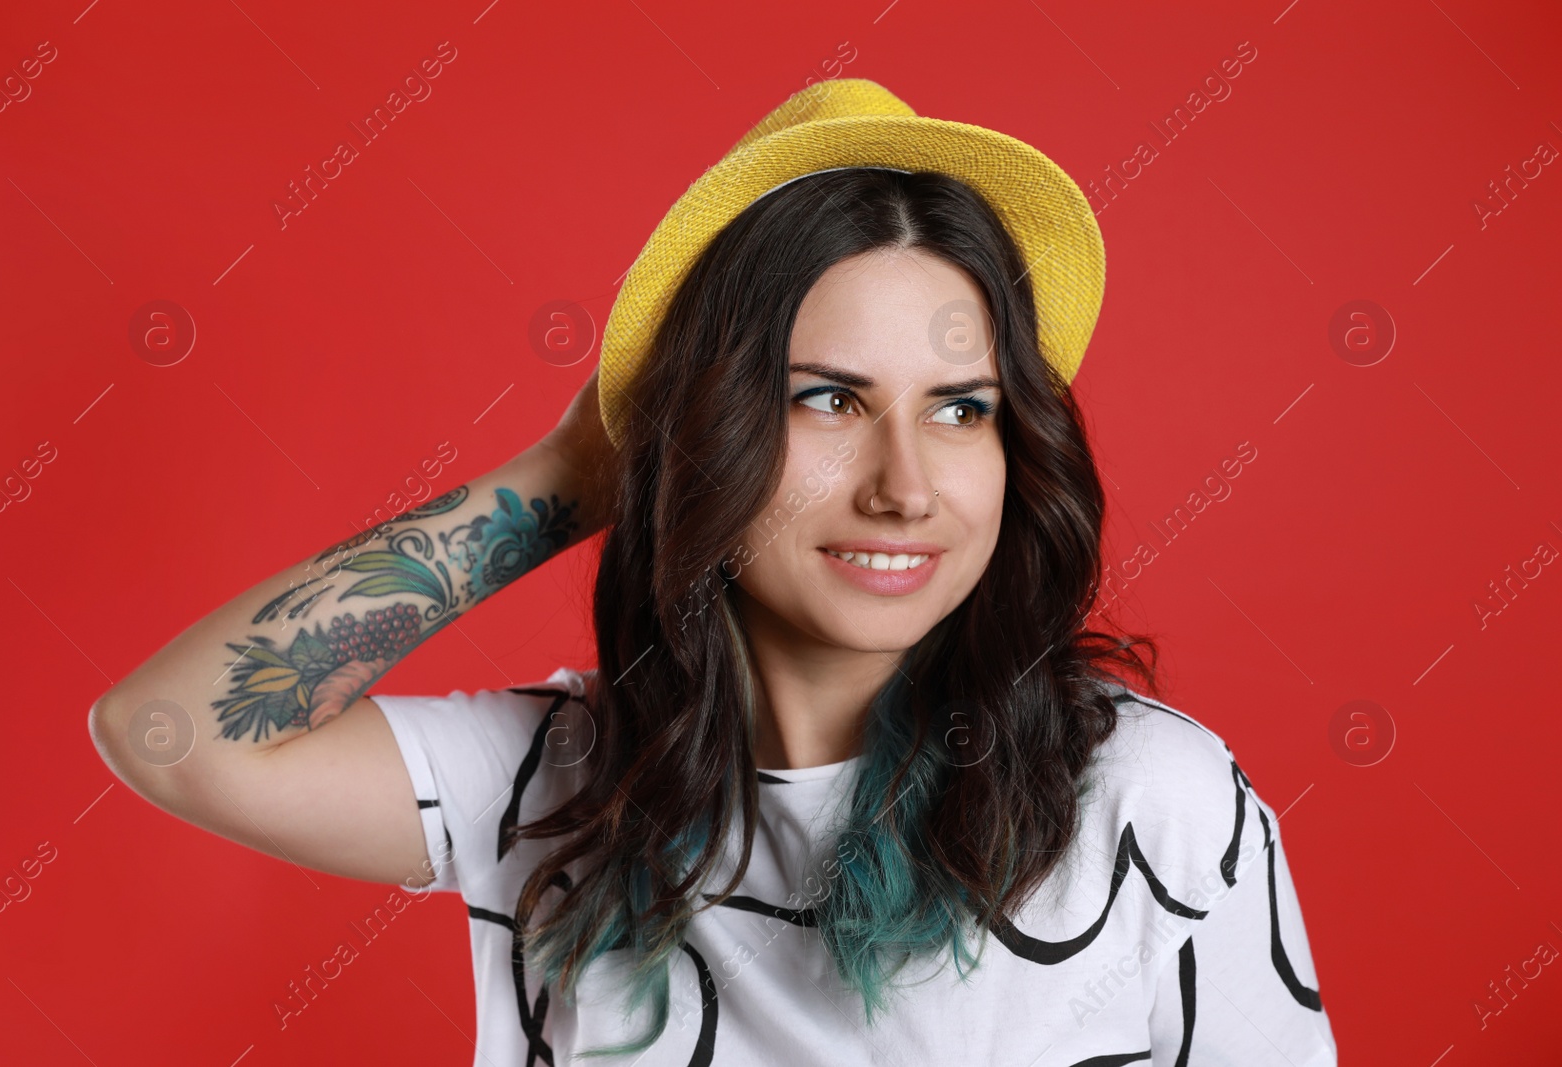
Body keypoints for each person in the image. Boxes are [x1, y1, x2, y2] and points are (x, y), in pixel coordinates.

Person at [89, 79, 1338, 1065]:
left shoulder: (1149, 804)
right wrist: (577, 469)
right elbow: (171, 730)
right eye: (828, 399)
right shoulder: (555, 783)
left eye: (961, 409)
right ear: (709, 429)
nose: (906, 485)